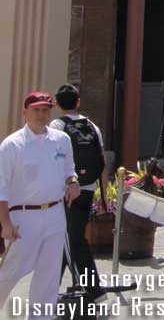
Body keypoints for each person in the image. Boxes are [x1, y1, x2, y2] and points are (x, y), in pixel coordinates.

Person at [0, 92, 80, 315]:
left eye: (45, 110)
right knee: (10, 271)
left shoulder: (61, 140)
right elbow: (1, 188)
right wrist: (5, 223)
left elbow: (69, 171)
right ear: (25, 112)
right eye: (36, 109)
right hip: (23, 217)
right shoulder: (11, 145)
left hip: (55, 213)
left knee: (49, 273)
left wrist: (73, 182)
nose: (41, 114)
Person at [50, 83, 107, 299]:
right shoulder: (92, 126)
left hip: (66, 192)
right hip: (88, 189)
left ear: (56, 104)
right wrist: (103, 195)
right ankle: (49, 290)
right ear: (78, 102)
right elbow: (102, 162)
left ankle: (95, 290)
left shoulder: (57, 126)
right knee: (69, 238)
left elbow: (53, 159)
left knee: (71, 240)